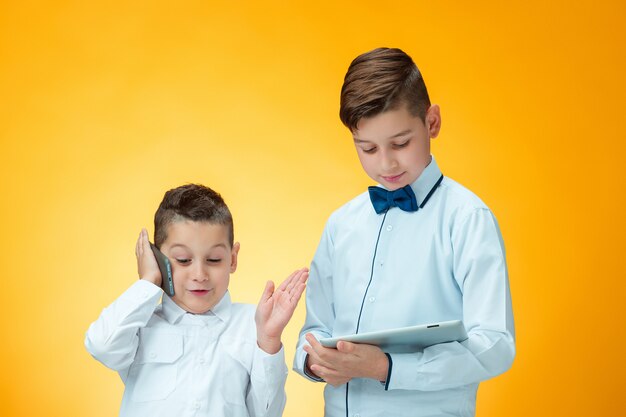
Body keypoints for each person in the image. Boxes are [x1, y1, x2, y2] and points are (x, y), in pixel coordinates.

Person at [293, 47, 515, 417]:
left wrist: (384, 367)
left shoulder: (467, 218)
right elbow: (314, 330)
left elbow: (494, 344)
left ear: (432, 123)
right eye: (367, 148)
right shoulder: (340, 224)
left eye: (400, 143)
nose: (386, 163)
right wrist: (315, 362)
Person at [86, 183, 308, 417]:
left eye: (213, 260)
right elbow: (102, 346)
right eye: (183, 260)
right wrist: (149, 281)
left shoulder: (253, 324)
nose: (200, 275)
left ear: (232, 259)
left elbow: (267, 413)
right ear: (157, 258)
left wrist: (269, 341)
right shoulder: (140, 325)